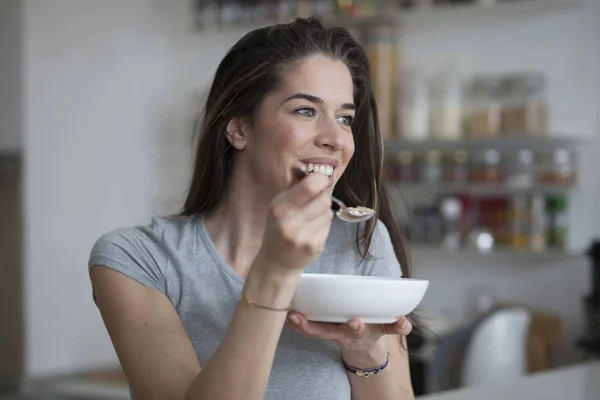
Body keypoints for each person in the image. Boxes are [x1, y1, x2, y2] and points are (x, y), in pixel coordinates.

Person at [89, 16, 415, 400]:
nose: (335, 139)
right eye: (305, 111)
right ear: (239, 129)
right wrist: (274, 270)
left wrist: (362, 349)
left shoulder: (360, 240)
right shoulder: (137, 259)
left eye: (345, 118)